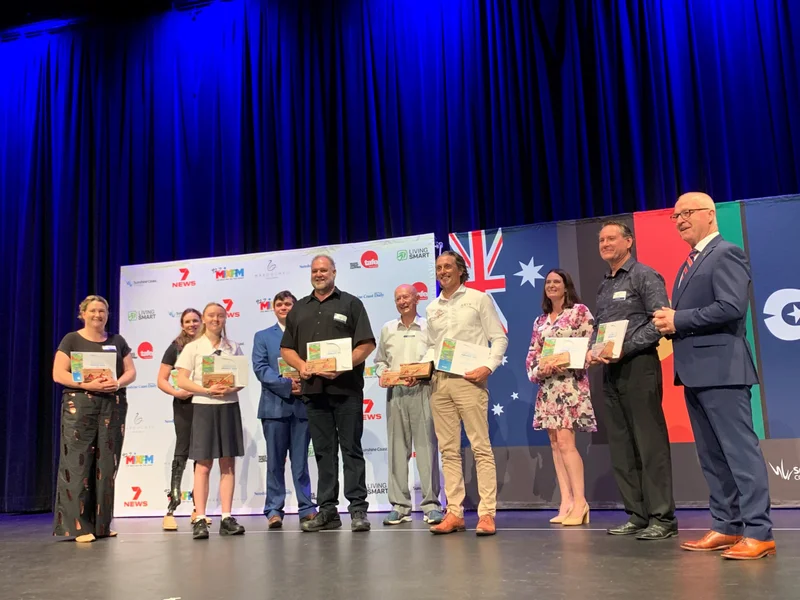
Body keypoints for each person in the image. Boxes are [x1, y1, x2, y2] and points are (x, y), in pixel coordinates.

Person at [654, 192, 775, 560]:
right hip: (694, 372)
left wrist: (679, 320)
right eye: (675, 216)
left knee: (740, 454)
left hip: (723, 370)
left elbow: (731, 306)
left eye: (686, 213)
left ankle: (759, 532)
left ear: (710, 214)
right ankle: (726, 525)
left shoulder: (725, 253)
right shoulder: (690, 262)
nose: (679, 220)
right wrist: (671, 324)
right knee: (712, 456)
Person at [587, 221, 678, 540]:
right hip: (609, 370)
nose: (605, 243)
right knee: (622, 446)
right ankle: (637, 514)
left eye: (611, 238)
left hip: (640, 366)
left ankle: (663, 518)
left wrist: (624, 348)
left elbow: (661, 322)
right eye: (601, 239)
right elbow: (600, 327)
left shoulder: (644, 275)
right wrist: (592, 351)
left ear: (629, 242)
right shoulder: (604, 284)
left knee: (649, 443)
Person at [410, 250, 508, 536]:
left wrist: (488, 367)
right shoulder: (432, 308)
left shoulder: (478, 299)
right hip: (439, 383)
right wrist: (420, 370)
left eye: (448, 266)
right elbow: (431, 346)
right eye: (439, 267)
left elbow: (499, 338)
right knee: (448, 450)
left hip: (469, 380)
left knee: (480, 447)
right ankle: (454, 512)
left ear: (461, 270)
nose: (443, 271)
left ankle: (487, 513)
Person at [280, 255, 376, 533]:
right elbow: (287, 348)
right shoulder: (298, 308)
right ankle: (328, 511)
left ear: (334, 272)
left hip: (346, 389)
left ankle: (358, 509)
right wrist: (302, 366)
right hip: (314, 391)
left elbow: (367, 344)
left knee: (351, 450)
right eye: (315, 271)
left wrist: (344, 363)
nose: (319, 274)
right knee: (323, 452)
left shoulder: (351, 304)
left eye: (324, 270)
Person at [52, 295, 137, 542]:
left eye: (102, 311)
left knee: (107, 466)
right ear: (83, 314)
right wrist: (84, 383)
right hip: (80, 406)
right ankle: (78, 526)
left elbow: (131, 371)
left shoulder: (117, 341)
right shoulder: (72, 339)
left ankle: (101, 524)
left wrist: (117, 382)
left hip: (112, 406)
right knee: (78, 464)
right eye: (93, 311)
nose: (98, 315)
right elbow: (58, 373)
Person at [525, 269, 596, 526]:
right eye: (548, 282)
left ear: (566, 287)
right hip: (548, 389)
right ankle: (566, 501)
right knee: (555, 444)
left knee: (567, 443)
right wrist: (539, 369)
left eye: (557, 282)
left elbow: (589, 346)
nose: (551, 285)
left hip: (569, 385)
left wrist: (565, 362)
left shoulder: (579, 312)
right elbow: (533, 356)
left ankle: (581, 502)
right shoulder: (540, 321)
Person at [175, 302, 247, 540]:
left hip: (228, 406)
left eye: (220, 315)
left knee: (228, 463)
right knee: (203, 464)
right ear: (204, 319)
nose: (216, 319)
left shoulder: (233, 347)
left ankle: (226, 517)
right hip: (204, 408)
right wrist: (205, 390)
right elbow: (182, 380)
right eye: (211, 316)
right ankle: (200, 518)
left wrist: (229, 387)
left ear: (225, 318)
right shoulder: (193, 347)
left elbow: (242, 379)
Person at [374, 284, 444, 526]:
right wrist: (383, 374)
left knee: (426, 450)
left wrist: (421, 372)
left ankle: (431, 505)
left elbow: (435, 356)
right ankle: (400, 506)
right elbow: (380, 361)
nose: (402, 301)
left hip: (423, 390)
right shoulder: (388, 329)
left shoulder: (428, 327)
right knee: (396, 451)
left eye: (406, 297)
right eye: (398, 298)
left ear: (417, 299)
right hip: (396, 393)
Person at [252, 291, 317, 529]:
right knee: (275, 462)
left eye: (288, 304)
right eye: (279, 304)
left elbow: (314, 364)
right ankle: (273, 509)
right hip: (274, 408)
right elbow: (260, 369)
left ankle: (307, 508)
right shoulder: (262, 336)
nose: (284, 307)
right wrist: (289, 385)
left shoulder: (306, 334)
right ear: (273, 308)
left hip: (302, 407)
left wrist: (305, 384)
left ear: (295, 307)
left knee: (300, 462)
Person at [156, 308, 205, 531]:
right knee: (183, 450)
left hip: (207, 404)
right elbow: (161, 379)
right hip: (184, 405)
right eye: (188, 321)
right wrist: (176, 392)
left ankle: (198, 508)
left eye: (195, 320)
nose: (192, 324)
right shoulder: (175, 347)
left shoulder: (209, 344)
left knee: (202, 453)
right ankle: (172, 507)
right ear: (182, 324)